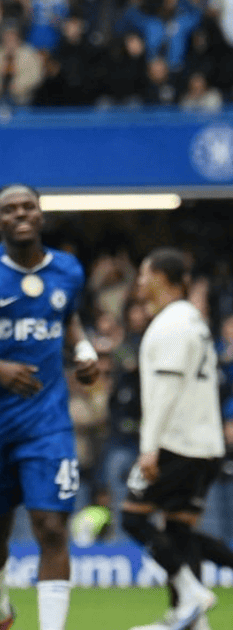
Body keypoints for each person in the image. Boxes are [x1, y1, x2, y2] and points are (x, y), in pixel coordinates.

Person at [0, 184, 99, 630]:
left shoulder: (68, 269)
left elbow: (69, 319)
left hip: (48, 422)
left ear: (41, 215)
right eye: (9, 209)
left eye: (28, 206)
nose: (20, 214)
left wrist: (84, 351)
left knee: (52, 527)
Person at [121, 248, 221, 630]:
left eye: (144, 274)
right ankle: (192, 620)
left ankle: (191, 594)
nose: (140, 282)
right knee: (179, 531)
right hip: (204, 443)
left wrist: (149, 447)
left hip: (177, 443)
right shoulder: (193, 320)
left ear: (162, 278)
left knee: (133, 518)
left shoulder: (171, 324)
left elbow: (165, 391)